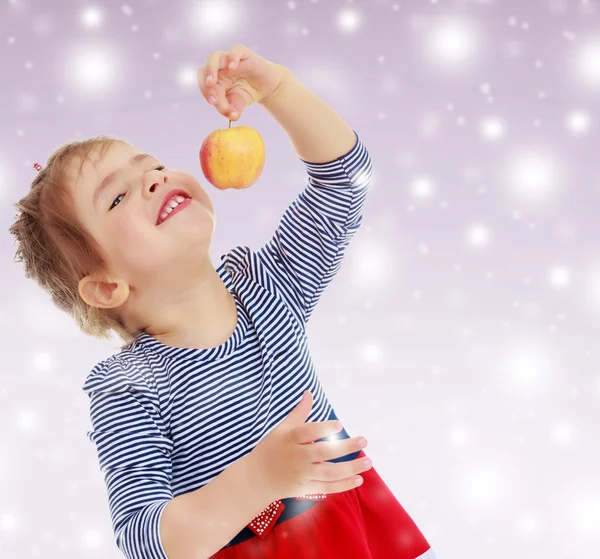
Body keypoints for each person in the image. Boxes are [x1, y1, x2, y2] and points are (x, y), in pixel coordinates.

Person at [9, 44, 436, 559]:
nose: (155, 178)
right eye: (117, 197)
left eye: (154, 166)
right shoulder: (127, 387)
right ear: (106, 287)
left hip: (346, 530)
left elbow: (345, 179)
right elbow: (146, 540)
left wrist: (278, 90)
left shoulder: (267, 286)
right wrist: (258, 479)